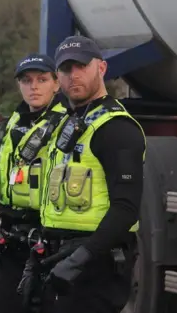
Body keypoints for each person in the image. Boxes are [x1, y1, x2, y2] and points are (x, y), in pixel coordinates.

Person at [36, 36, 145, 313]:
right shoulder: (67, 123)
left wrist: (80, 259)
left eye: (81, 66)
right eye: (65, 69)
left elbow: (126, 209)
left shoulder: (116, 128)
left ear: (102, 69)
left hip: (95, 267)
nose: (73, 76)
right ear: (57, 77)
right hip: (61, 261)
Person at [0, 54, 67, 313]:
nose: (34, 86)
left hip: (49, 244)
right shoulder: (10, 126)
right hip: (10, 241)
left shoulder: (68, 125)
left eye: (42, 79)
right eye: (26, 81)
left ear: (56, 84)